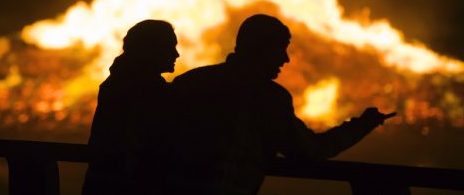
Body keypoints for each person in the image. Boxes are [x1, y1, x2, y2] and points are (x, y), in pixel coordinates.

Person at [167, 14, 395, 195]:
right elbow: (310, 150)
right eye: (280, 48)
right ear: (261, 49)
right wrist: (363, 125)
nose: (285, 59)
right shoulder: (270, 99)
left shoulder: (190, 82)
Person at [82, 19, 180, 195]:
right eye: (169, 47)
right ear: (150, 49)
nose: (176, 54)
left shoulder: (117, 83)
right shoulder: (147, 91)